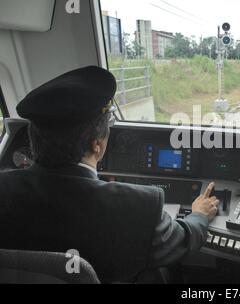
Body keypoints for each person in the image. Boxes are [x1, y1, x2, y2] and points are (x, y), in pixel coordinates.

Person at [0, 66, 219, 283]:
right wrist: (199, 214)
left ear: (33, 138)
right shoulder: (136, 207)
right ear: (97, 145)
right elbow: (182, 241)